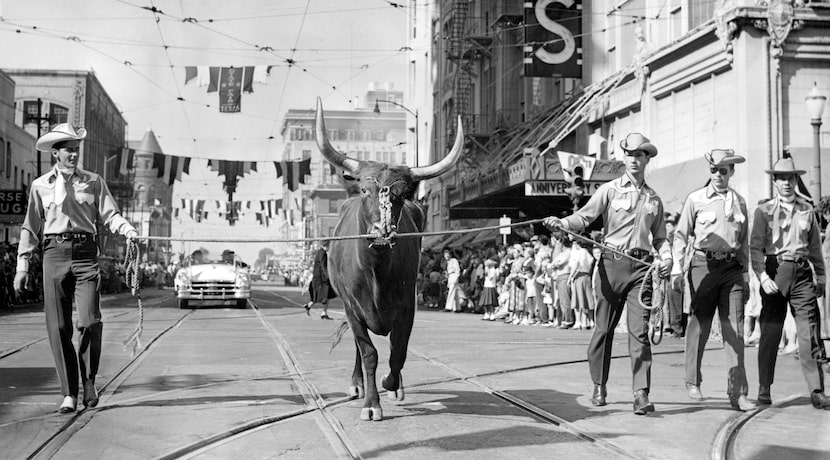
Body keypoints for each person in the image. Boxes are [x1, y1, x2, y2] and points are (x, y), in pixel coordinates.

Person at [544, 132, 673, 415]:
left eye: (639, 155)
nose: (634, 160)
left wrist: (667, 257)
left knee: (639, 333)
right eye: (629, 154)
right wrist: (562, 222)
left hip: (641, 270)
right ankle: (599, 384)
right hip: (610, 265)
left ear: (647, 159)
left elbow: (660, 237)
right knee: (603, 329)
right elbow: (585, 217)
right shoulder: (610, 190)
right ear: (624, 157)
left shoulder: (654, 199)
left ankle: (641, 393)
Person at [13, 124, 138, 414]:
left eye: (76, 148)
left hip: (85, 255)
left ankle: (89, 381)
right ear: (55, 153)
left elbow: (110, 214)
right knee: (58, 327)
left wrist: (127, 229)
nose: (74, 154)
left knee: (90, 321)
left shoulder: (94, 182)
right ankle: (69, 392)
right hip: (53, 254)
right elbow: (30, 227)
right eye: (68, 149)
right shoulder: (40, 186)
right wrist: (22, 265)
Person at [671, 149, 756, 411]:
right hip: (702, 266)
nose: (718, 175)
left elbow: (743, 243)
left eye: (723, 170)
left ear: (731, 172)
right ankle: (692, 380)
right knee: (700, 326)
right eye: (713, 170)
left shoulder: (740, 202)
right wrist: (676, 267)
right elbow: (680, 236)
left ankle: (738, 393)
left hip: (731, 268)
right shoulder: (695, 199)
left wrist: (746, 276)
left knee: (735, 330)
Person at [749, 157, 828, 409]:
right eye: (781, 178)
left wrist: (821, 275)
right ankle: (764, 388)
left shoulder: (807, 210)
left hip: (802, 275)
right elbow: (755, 248)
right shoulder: (763, 211)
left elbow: (815, 246)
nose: (786, 183)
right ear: (774, 181)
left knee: (809, 334)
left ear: (796, 180)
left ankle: (817, 390)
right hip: (775, 273)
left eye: (790, 178)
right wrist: (762, 277)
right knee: (771, 332)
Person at [663, 212, 686, 338]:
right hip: (672, 274)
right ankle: (676, 329)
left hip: (678, 273)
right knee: (673, 303)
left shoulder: (678, 239)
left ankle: (678, 329)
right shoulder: (668, 242)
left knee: (677, 303)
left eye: (670, 226)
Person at [306, 241, 336, 319]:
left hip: (320, 278)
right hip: (322, 279)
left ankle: (322, 311)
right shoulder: (322, 253)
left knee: (325, 295)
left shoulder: (320, 252)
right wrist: (328, 276)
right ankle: (321, 311)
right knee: (323, 296)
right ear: (326, 245)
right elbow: (323, 266)